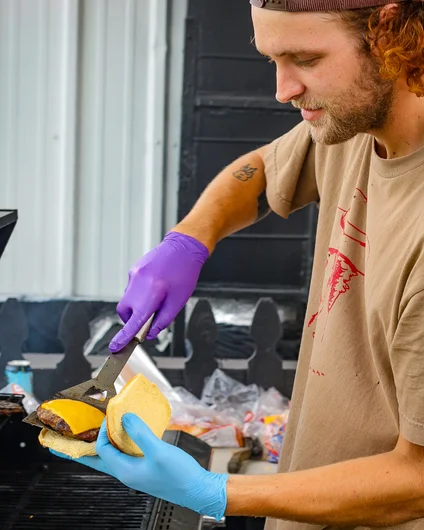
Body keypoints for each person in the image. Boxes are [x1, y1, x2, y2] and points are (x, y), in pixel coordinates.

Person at [54, 0, 424, 528]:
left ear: (392, 33)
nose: (283, 89)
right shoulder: (354, 125)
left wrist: (216, 491)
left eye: (306, 58)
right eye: (273, 58)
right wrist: (188, 239)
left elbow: (417, 481)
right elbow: (263, 168)